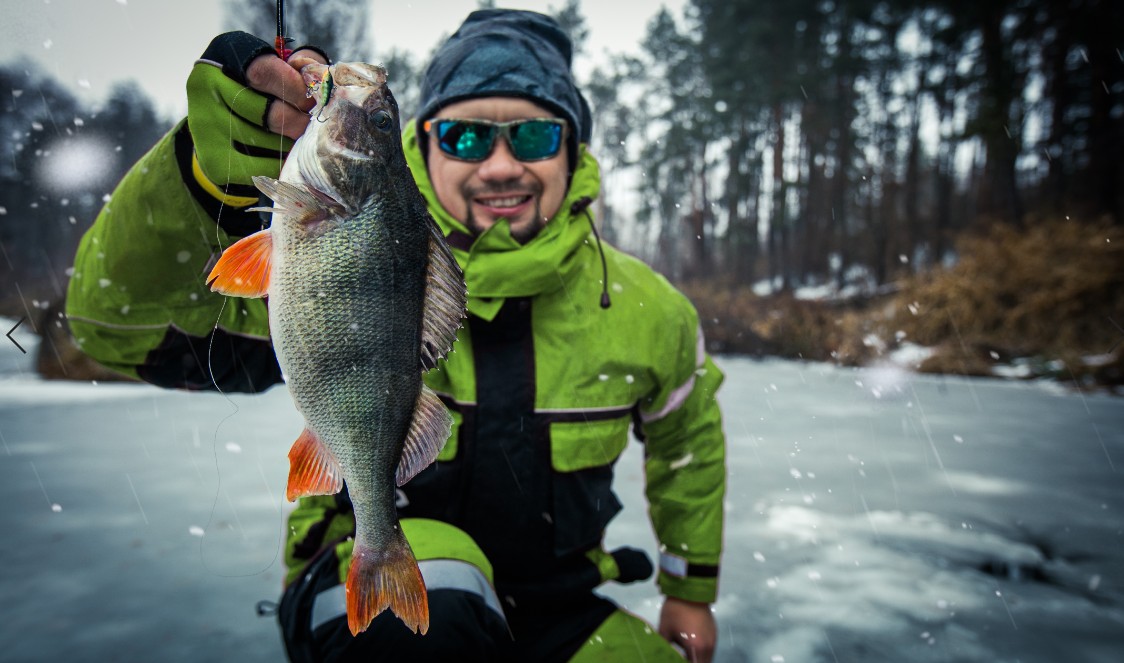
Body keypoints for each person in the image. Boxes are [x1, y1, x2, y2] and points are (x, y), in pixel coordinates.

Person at [66, 9, 726, 663]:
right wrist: (199, 183)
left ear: (573, 148)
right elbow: (113, 327)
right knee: (432, 617)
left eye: (532, 138)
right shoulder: (339, 251)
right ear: (424, 144)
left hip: (559, 606)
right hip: (373, 573)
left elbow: (686, 439)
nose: (500, 166)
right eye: (466, 139)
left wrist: (690, 588)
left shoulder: (651, 310)